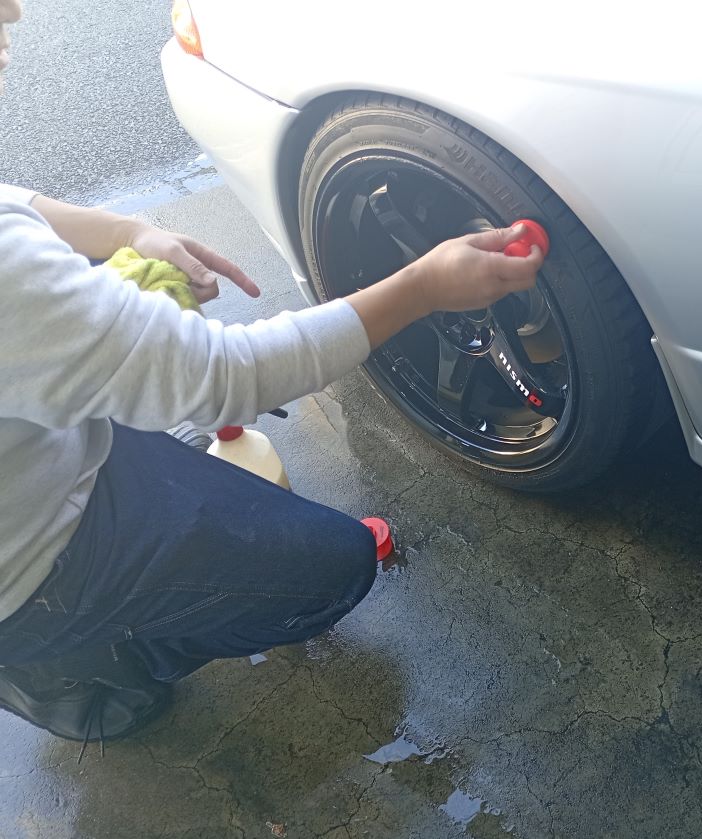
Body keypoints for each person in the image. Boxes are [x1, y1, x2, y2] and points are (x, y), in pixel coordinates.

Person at [0, 0, 543, 748]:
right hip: (31, 565)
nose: (15, 10)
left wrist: (132, 231)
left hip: (35, 463)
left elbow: (15, 204)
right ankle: (66, 664)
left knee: (162, 409)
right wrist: (421, 289)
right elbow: (227, 377)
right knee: (333, 570)